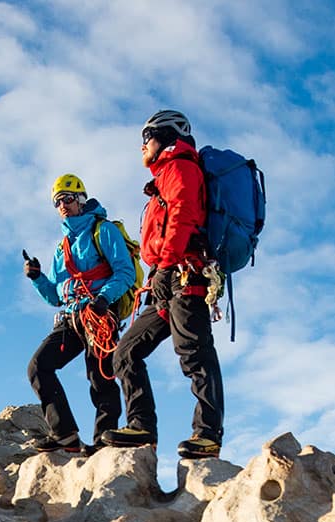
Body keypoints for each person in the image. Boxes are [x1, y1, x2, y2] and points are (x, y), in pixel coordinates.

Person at [109, 109, 224, 460]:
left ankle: (207, 435)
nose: (141, 146)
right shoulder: (165, 174)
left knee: (194, 353)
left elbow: (183, 214)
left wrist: (166, 264)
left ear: (167, 136)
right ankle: (141, 428)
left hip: (183, 274)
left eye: (146, 137)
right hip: (165, 279)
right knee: (126, 352)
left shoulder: (180, 167)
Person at [24, 174, 136, 453]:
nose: (62, 205)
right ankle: (64, 434)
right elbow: (55, 296)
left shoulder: (104, 230)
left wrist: (104, 298)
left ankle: (104, 439)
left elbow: (125, 271)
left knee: (100, 376)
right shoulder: (62, 248)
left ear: (81, 199)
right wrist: (38, 278)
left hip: (99, 312)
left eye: (68, 198)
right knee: (38, 367)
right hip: (72, 316)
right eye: (57, 201)